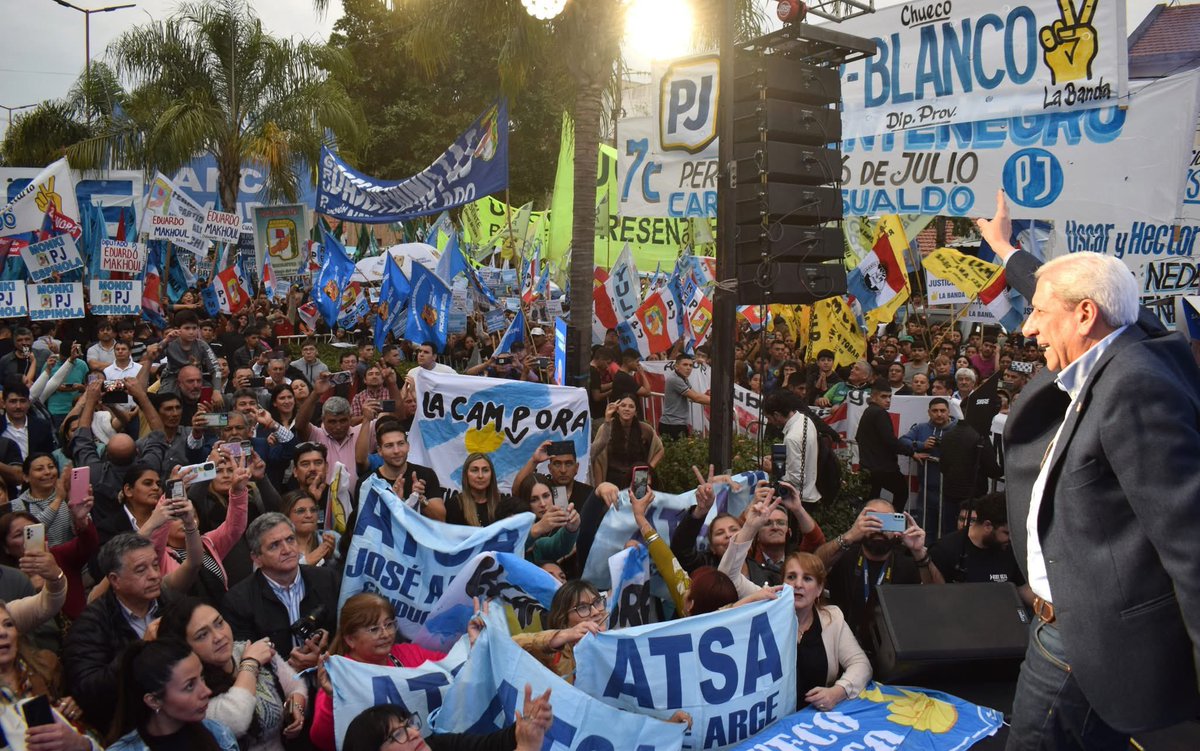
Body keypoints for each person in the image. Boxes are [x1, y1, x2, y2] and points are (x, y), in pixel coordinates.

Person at [978, 191, 1200, 747]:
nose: (1028, 328)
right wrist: (1008, 251)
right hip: (1080, 634)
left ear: (1084, 315)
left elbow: (1190, 543)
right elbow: (1085, 292)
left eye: (1037, 313)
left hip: (1085, 644)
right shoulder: (1130, 336)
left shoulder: (1136, 387)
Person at [719, 490, 872, 712]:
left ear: (820, 588)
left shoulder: (833, 618)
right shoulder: (767, 603)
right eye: (791, 577)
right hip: (766, 719)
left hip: (812, 720)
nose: (798, 584)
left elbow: (861, 665)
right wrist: (750, 527)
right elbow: (728, 577)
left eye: (807, 578)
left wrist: (837, 692)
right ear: (782, 583)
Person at [65, 529, 202, 730]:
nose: (155, 575)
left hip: (186, 711)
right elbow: (88, 691)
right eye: (141, 570)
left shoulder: (172, 604)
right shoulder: (91, 625)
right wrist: (139, 649)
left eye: (155, 565)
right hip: (131, 725)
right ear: (115, 580)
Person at [156, 598, 307, 751]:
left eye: (219, 623)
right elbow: (237, 720)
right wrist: (250, 664)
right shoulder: (193, 686)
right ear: (184, 648)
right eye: (202, 635)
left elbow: (295, 685)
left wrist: (296, 707)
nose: (219, 637)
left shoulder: (247, 649)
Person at [309, 593, 448, 751]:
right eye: (374, 629)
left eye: (389, 625)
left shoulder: (408, 654)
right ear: (350, 639)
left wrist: (476, 642)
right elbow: (321, 739)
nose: (386, 634)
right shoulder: (340, 676)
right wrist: (332, 698)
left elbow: (452, 668)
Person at [813, 500, 943, 646]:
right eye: (872, 521)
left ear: (896, 528)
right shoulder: (844, 557)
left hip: (893, 648)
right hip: (843, 645)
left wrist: (919, 553)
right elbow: (812, 566)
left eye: (886, 521)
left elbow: (938, 598)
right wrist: (849, 535)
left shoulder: (907, 563)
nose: (879, 529)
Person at [221, 513, 339, 670]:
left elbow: (346, 633)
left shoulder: (327, 579)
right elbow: (245, 662)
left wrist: (324, 657)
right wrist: (289, 669)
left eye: (290, 539)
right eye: (274, 545)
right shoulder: (238, 600)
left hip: (329, 677)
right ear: (257, 558)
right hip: (277, 687)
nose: (287, 549)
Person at [0, 599, 99, 750]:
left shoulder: (46, 665)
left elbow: (90, 732)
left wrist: (74, 709)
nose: (2, 632)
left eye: (8, 624)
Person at [107, 639, 239, 751]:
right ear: (153, 700)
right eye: (190, 686)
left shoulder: (219, 733)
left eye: (202, 677)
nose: (206, 691)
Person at [341, 690, 552, 751]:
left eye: (409, 724)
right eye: (397, 734)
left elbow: (492, 745)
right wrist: (527, 747)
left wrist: (526, 726)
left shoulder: (439, 745)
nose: (413, 733)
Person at [929, 492, 1033, 607]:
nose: (1011, 539)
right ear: (987, 526)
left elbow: (1023, 589)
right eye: (1006, 533)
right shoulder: (945, 549)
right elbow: (936, 597)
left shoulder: (1009, 549)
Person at [512, 581, 606, 683]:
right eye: (582, 608)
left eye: (597, 602)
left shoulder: (621, 637)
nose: (596, 612)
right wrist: (562, 636)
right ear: (563, 620)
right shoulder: (555, 654)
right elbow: (509, 645)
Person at [855, 382, 914, 509]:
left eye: (889, 397)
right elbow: (890, 441)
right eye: (883, 397)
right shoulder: (880, 413)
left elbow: (858, 437)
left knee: (870, 503)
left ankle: (870, 527)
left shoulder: (868, 411)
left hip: (867, 467)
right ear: (873, 397)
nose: (888, 400)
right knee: (902, 493)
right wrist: (912, 452)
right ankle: (893, 525)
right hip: (883, 468)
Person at [589, 396, 663, 489]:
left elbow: (660, 449)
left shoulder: (645, 429)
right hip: (613, 478)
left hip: (639, 475)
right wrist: (599, 487)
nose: (627, 409)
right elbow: (598, 458)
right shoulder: (606, 427)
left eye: (631, 406)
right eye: (623, 405)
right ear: (617, 409)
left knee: (638, 501)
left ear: (636, 412)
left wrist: (648, 468)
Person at [761, 391, 820, 504]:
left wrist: (772, 468)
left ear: (777, 415)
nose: (769, 422)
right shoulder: (804, 419)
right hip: (810, 491)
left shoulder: (792, 438)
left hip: (799, 499)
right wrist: (779, 458)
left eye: (769, 418)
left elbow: (796, 479)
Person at [443, 454, 512, 527]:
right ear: (466, 475)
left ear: (492, 474)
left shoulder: (504, 504)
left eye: (485, 470)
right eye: (474, 470)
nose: (480, 476)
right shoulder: (454, 505)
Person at [658, 354, 709, 440]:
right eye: (685, 365)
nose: (688, 368)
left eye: (690, 365)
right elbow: (696, 397)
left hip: (677, 424)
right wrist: (718, 401)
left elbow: (695, 394)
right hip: (672, 425)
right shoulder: (675, 379)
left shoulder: (683, 378)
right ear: (676, 366)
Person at [281, 491, 337, 567]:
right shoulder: (280, 548)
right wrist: (309, 560)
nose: (309, 515)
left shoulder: (332, 537)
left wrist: (329, 558)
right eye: (301, 511)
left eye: (313, 510)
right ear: (286, 516)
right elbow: (282, 576)